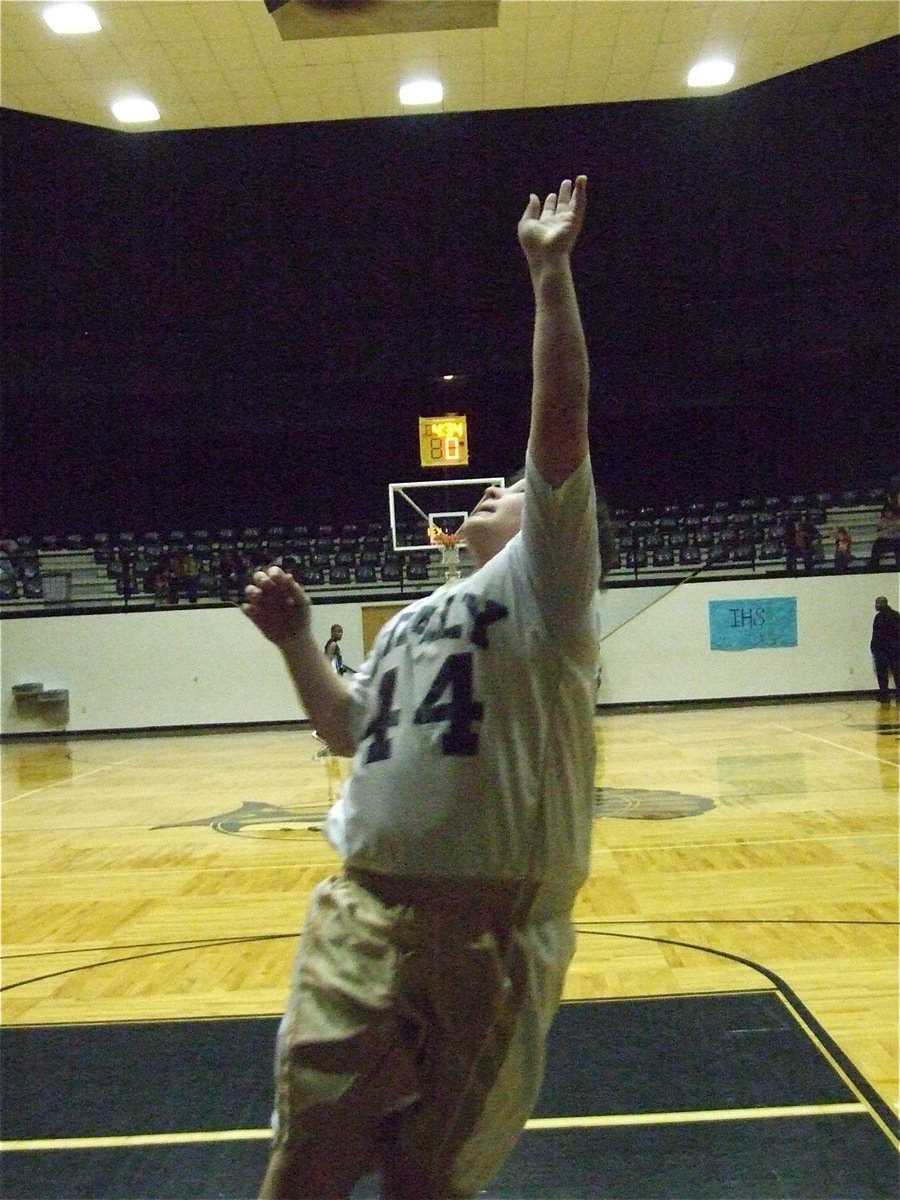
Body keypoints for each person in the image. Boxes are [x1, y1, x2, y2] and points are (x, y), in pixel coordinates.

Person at [242, 174, 606, 1200]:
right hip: (360, 912)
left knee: (428, 1182)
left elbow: (562, 423)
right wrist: (297, 642)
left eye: (505, 491)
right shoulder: (409, 619)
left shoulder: (545, 587)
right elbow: (348, 730)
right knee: (303, 1162)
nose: (492, 492)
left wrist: (549, 277)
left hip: (491, 933)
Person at [870, 595, 900, 703]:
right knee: (897, 674)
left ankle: (884, 695)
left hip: (882, 651)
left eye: (877, 603)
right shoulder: (896, 615)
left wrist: (874, 649)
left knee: (882, 675)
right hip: (895, 651)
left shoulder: (879, 618)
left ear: (881, 604)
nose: (876, 606)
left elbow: (876, 636)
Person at [868, 505, 900, 569]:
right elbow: (879, 532)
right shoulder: (881, 521)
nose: (887, 513)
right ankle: (873, 566)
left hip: (896, 540)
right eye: (886, 512)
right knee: (876, 544)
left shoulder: (897, 520)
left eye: (889, 512)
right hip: (885, 541)